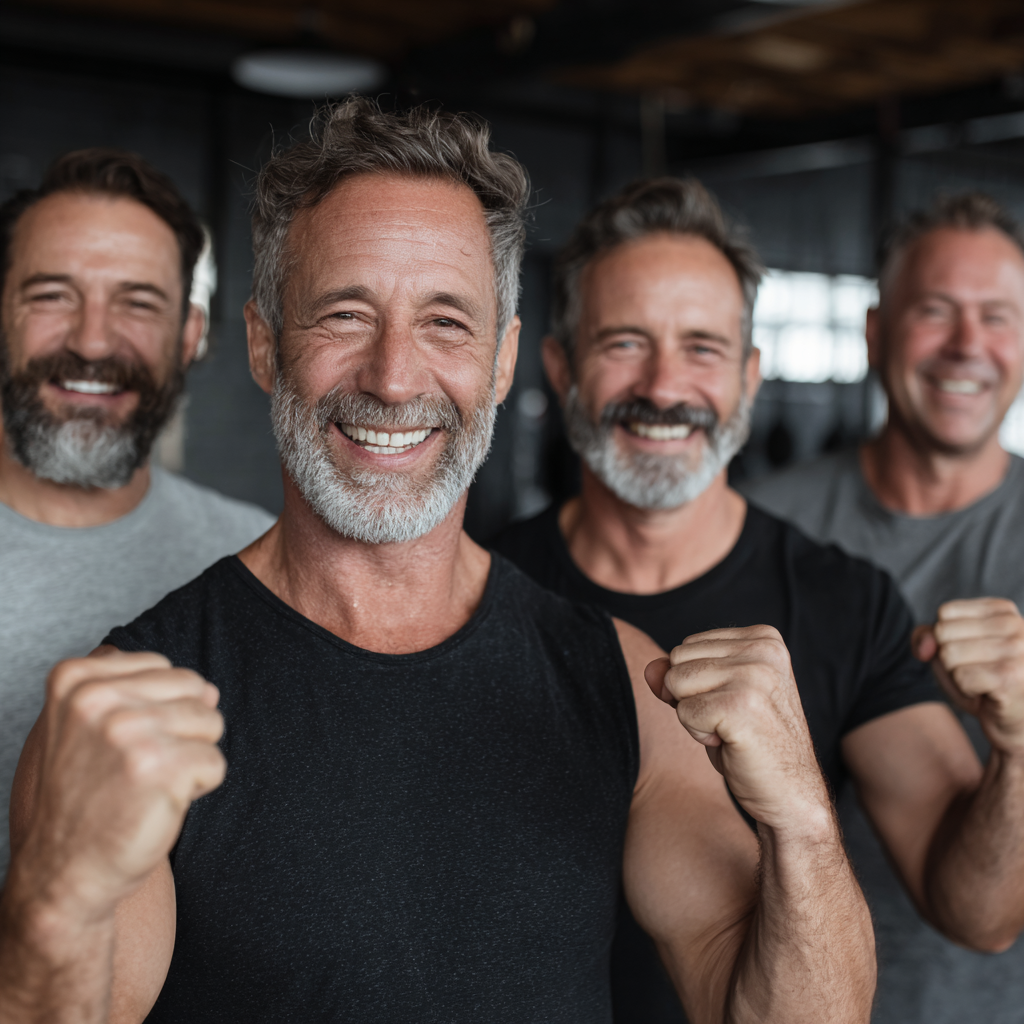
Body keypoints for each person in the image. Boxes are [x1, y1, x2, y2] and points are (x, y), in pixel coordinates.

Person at [0, 100, 875, 1024]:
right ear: (263, 344)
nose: (392, 377)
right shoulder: (136, 702)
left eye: (445, 323)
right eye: (345, 312)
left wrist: (806, 826)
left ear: (501, 362)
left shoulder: (620, 678)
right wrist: (61, 901)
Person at [493, 179, 1024, 1024]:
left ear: (748, 377)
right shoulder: (474, 588)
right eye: (625, 342)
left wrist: (1020, 753)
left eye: (703, 348)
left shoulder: (846, 602)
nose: (665, 385)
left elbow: (980, 914)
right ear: (561, 367)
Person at [744, 192, 1024, 1024]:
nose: (968, 346)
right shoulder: (764, 528)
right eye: (936, 312)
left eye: (998, 317)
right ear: (876, 331)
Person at [0, 150, 274, 881]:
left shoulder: (257, 560)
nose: (92, 341)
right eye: (52, 295)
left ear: (189, 335)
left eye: (137, 302)